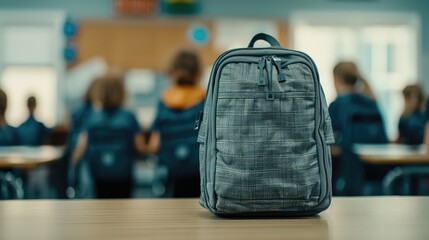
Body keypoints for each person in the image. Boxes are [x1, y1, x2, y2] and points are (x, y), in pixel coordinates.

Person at [72, 74, 145, 198]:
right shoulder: (129, 117)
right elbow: (140, 147)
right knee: (124, 207)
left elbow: (81, 147)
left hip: (98, 173)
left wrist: (74, 165)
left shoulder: (91, 117)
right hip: (123, 174)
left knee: (100, 206)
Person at [147, 50, 205, 198]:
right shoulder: (206, 99)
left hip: (171, 175)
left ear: (171, 72)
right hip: (200, 174)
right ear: (199, 73)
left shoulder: (163, 101)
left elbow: (154, 145)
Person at [328, 61, 387, 144]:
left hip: (348, 156)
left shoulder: (336, 106)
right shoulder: (371, 102)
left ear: (337, 79)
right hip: (376, 155)